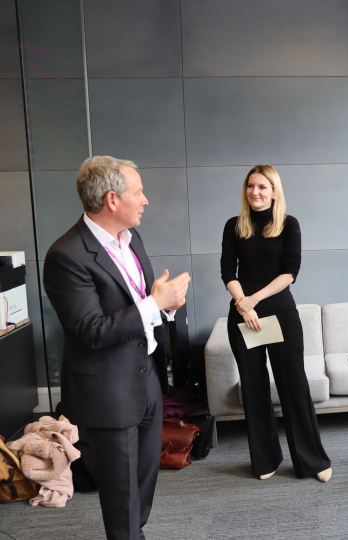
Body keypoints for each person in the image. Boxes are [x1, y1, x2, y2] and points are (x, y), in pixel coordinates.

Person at [43, 156, 190, 540]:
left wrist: (167, 308)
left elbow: (142, 308)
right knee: (121, 494)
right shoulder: (66, 256)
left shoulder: (132, 239)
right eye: (138, 192)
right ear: (112, 199)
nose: (145, 200)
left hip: (148, 384)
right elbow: (89, 330)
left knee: (143, 485)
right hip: (107, 392)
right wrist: (154, 304)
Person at [220, 164, 332, 483]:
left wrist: (252, 301)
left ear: (274, 191)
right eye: (250, 186)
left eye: (262, 187)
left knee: (293, 385)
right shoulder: (234, 226)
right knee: (254, 389)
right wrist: (243, 305)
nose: (255, 192)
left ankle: (311, 461)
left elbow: (289, 272)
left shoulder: (288, 224)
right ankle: (265, 459)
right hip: (244, 318)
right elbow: (228, 271)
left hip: (278, 315)